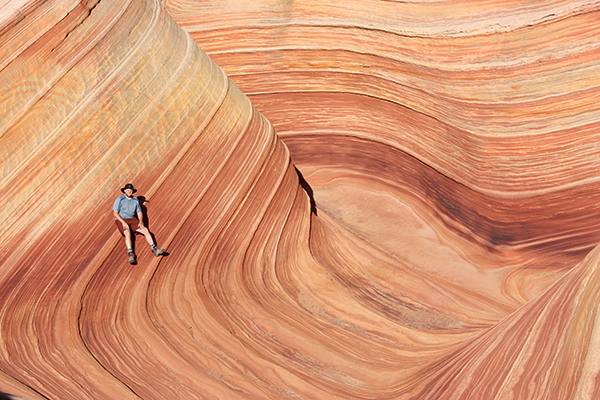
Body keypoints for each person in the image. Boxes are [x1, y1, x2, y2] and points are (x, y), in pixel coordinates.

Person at [113, 183, 165, 264]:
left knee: (145, 230)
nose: (129, 191)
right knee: (127, 233)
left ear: (132, 191)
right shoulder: (120, 199)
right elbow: (115, 213)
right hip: (121, 219)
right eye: (127, 190)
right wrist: (123, 223)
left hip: (132, 219)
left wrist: (141, 222)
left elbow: (139, 212)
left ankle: (155, 249)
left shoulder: (135, 200)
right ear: (124, 191)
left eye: (130, 190)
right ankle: (130, 254)